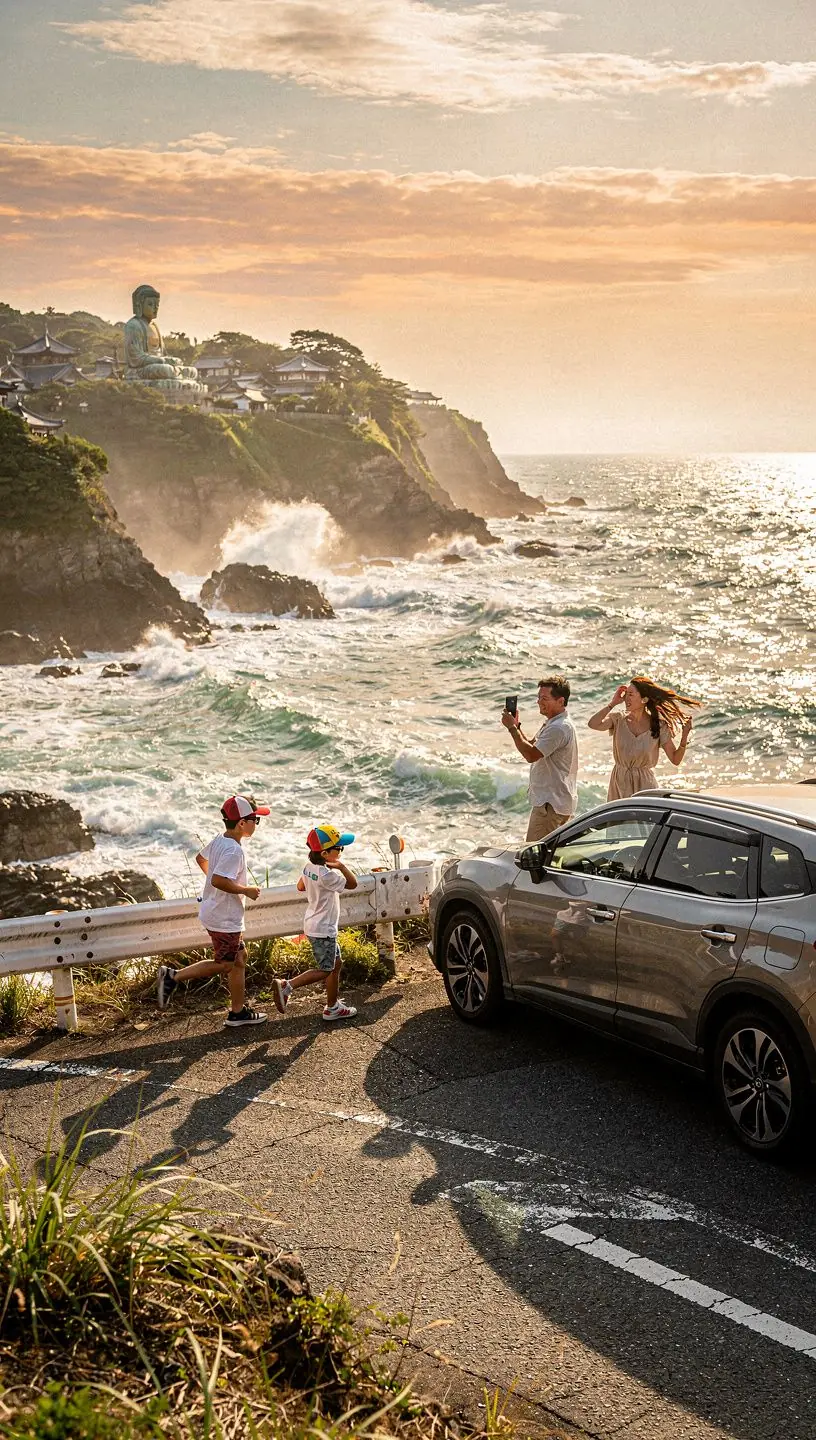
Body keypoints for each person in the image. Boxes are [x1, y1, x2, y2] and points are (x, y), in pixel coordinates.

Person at [157, 794, 270, 1027]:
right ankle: (172, 977)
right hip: (224, 917)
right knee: (226, 964)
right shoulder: (234, 851)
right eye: (254, 820)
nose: (256, 824)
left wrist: (216, 885)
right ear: (241, 823)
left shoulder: (221, 840)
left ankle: (238, 1013)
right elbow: (219, 880)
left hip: (216, 909)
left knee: (239, 958)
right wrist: (245, 889)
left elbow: (201, 859)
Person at [273, 824, 358, 1022]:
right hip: (324, 929)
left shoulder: (308, 867)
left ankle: (332, 1007)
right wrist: (342, 867)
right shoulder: (328, 876)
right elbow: (353, 884)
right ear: (325, 853)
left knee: (336, 964)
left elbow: (300, 886)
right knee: (325, 969)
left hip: (313, 924)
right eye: (339, 848)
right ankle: (288, 986)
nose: (341, 851)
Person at [587, 676, 701, 800]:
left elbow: (675, 759)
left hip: (645, 787)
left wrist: (684, 736)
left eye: (630, 694)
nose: (626, 698)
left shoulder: (659, 725)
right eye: (626, 694)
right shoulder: (618, 719)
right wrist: (613, 703)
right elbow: (593, 724)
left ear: (644, 699)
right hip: (619, 786)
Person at [502, 675, 578, 842]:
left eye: (544, 698)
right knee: (549, 858)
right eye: (538, 697)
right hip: (555, 803)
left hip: (549, 807)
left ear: (560, 701)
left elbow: (531, 755)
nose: (538, 701)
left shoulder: (558, 728)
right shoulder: (554, 723)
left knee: (533, 859)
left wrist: (511, 729)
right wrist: (516, 726)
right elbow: (532, 746)